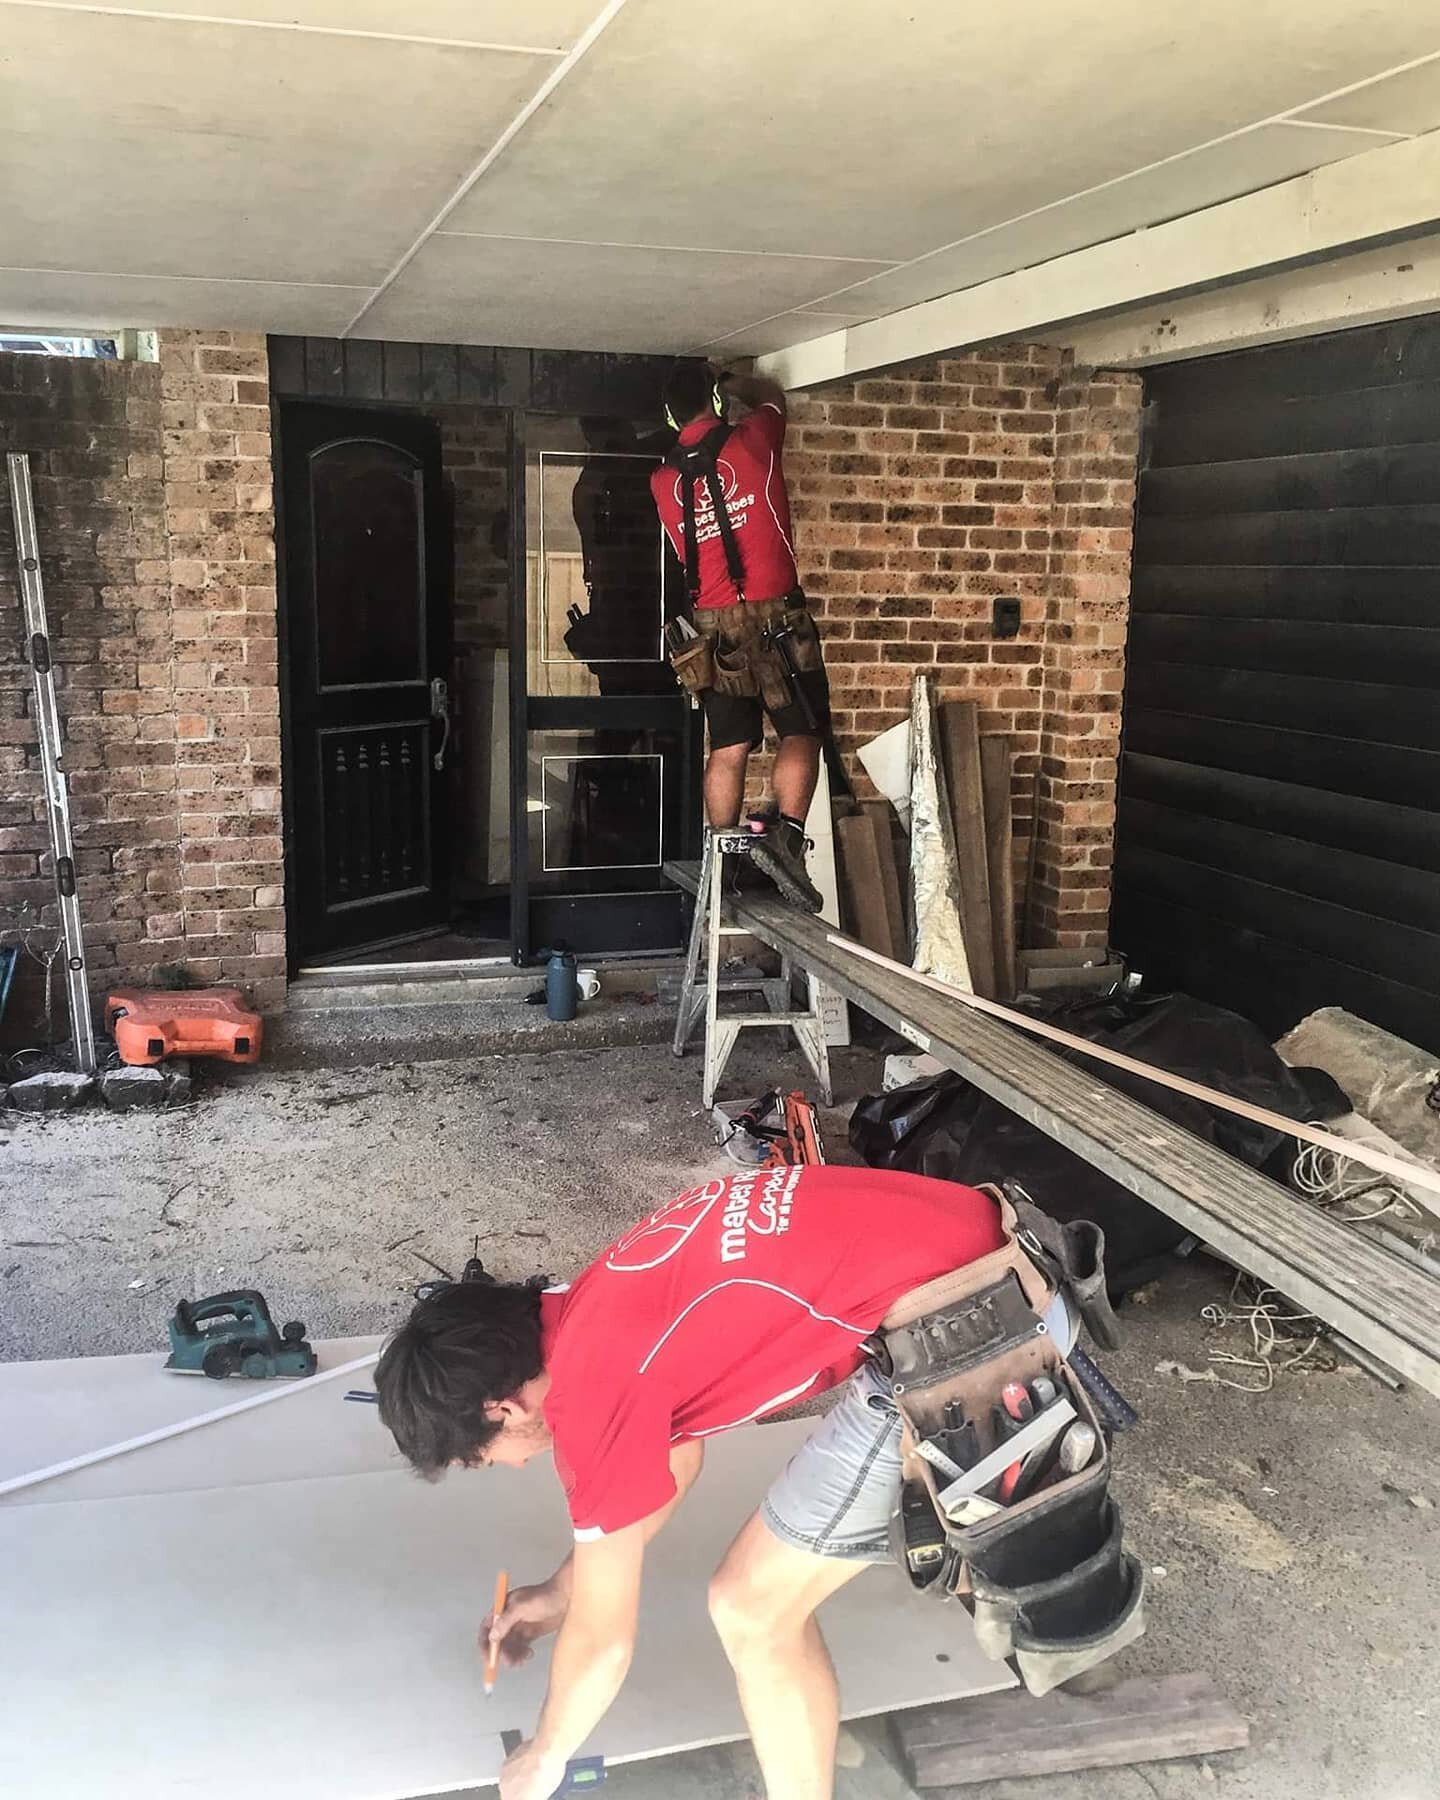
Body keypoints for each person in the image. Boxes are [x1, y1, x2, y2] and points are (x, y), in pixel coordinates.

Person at [375, 1166, 1076, 1800]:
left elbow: (604, 1641)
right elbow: (674, 1462)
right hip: (997, 1249)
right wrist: (564, 1591)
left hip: (979, 1326)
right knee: (757, 1597)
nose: (515, 1465)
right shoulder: (588, 1307)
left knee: (751, 1609)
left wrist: (545, 1755)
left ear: (502, 1409)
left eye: (487, 1456)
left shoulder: (591, 1394)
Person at [651, 361, 832, 912]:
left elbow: (689, 553)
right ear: (712, 398)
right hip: (779, 617)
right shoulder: (754, 439)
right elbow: (773, 396)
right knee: (801, 731)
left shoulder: (664, 482)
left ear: (666, 416)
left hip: (713, 628)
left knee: (729, 746)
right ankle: (785, 838)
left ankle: (720, 856)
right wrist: (733, 385)